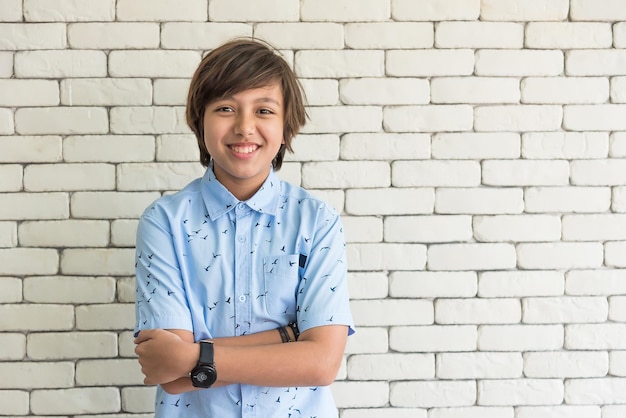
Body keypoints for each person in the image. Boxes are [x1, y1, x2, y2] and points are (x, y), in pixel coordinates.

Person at [133, 38, 354, 417]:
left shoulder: (317, 222)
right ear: (199, 121)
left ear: (286, 127)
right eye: (225, 108)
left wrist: (194, 357)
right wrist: (288, 337)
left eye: (264, 110)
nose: (244, 126)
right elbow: (170, 373)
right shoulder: (164, 222)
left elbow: (321, 365)